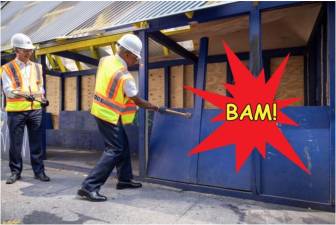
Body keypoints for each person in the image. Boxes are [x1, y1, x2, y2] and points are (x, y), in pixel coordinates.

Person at [77, 34, 165, 202]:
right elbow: (136, 99)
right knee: (115, 149)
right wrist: (153, 106)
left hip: (100, 110)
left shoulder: (106, 61)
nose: (136, 60)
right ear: (127, 54)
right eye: (135, 57)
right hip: (108, 114)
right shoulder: (125, 76)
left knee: (122, 145)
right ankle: (89, 187)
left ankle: (124, 180)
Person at [1, 33, 50, 184]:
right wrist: (23, 94)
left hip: (35, 109)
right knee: (16, 144)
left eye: (30, 50)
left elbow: (39, 86)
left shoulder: (37, 67)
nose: (29, 53)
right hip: (16, 111)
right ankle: (15, 172)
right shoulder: (7, 68)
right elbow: (8, 90)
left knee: (36, 142)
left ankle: (39, 171)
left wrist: (42, 98)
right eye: (25, 50)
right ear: (16, 50)